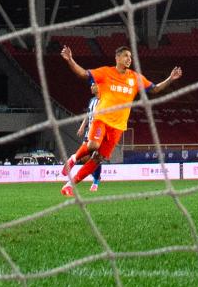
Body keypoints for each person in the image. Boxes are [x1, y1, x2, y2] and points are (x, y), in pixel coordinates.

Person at [59, 45, 181, 197]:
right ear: (117, 58)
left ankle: (69, 186)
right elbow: (84, 74)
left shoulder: (135, 78)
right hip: (102, 118)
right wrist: (70, 60)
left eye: (130, 56)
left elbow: (155, 89)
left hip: (118, 126)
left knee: (98, 158)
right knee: (93, 145)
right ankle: (74, 158)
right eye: (125, 56)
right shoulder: (106, 72)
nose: (129, 59)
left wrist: (170, 79)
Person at [77, 78, 103, 192]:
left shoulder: (104, 100)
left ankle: (95, 182)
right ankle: (96, 176)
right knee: (84, 158)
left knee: (96, 156)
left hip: (99, 132)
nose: (91, 87)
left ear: (98, 86)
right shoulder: (92, 100)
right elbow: (88, 115)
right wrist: (82, 127)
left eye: (93, 85)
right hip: (89, 132)